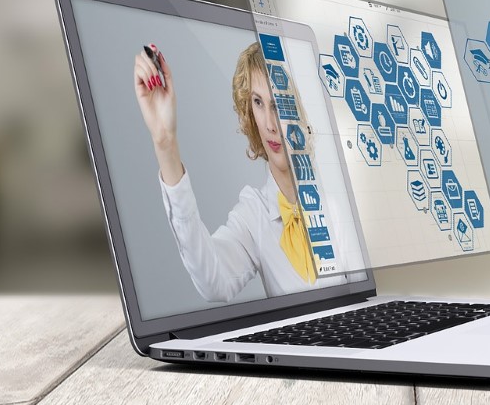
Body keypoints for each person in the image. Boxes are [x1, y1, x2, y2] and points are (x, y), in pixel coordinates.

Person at [133, 42, 360, 302]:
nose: (269, 124)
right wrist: (165, 143)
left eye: (279, 103)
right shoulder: (254, 216)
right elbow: (212, 282)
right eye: (258, 102)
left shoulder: (340, 198)